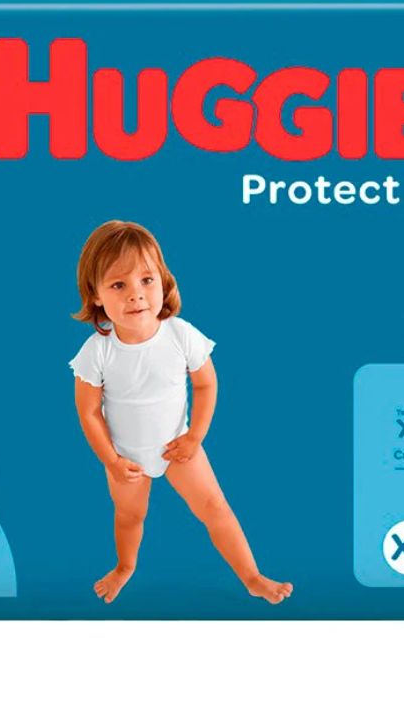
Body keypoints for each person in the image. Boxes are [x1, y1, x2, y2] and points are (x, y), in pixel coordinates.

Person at [69, 220, 292, 606]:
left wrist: (194, 438)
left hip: (178, 447)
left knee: (215, 508)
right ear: (96, 295)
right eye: (119, 285)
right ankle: (125, 567)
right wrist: (112, 460)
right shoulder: (97, 351)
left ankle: (252, 577)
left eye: (146, 280)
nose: (136, 294)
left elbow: (206, 385)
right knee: (129, 516)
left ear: (164, 281)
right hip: (125, 457)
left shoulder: (180, 334)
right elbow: (89, 412)